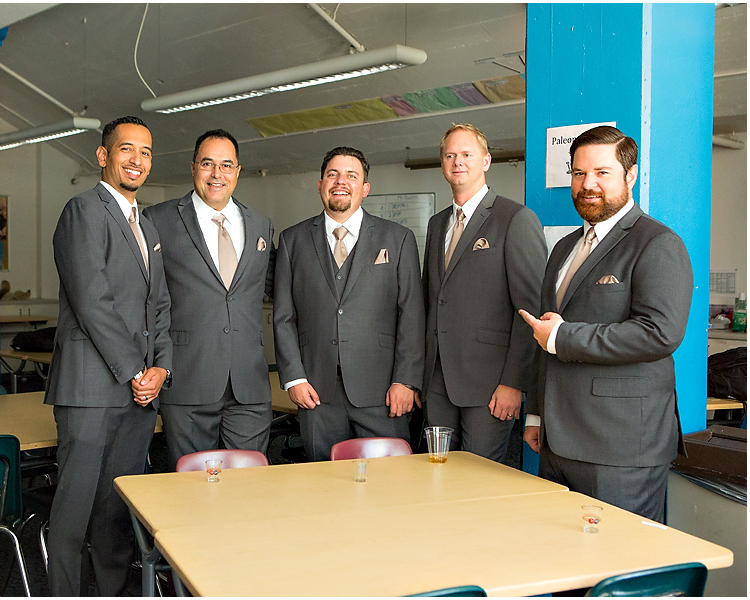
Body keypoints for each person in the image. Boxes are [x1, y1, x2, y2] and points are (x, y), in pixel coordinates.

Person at [519, 125, 692, 522]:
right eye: (579, 173)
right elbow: (544, 332)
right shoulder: (564, 247)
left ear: (630, 176)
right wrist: (537, 413)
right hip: (558, 440)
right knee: (565, 564)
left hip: (621, 447)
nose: (588, 184)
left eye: (602, 173)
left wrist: (564, 336)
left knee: (617, 570)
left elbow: (659, 333)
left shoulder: (658, 242)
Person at [44, 116, 173, 596]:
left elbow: (160, 304)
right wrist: (138, 370)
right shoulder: (83, 211)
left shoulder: (147, 225)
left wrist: (161, 367)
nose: (136, 160)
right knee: (75, 511)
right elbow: (92, 301)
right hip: (92, 389)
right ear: (103, 156)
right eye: (126, 150)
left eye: (145, 152)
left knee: (117, 512)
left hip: (138, 393)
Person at [273, 146, 425, 462]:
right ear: (320, 184)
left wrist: (406, 380)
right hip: (315, 393)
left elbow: (411, 314)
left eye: (351, 176)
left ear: (365, 188)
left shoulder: (397, 238)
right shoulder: (293, 240)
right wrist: (294, 378)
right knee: (324, 487)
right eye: (333, 174)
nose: (341, 181)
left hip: (383, 391)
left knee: (390, 484)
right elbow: (284, 316)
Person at [146, 129, 274, 469]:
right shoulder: (158, 220)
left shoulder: (261, 225)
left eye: (226, 165)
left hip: (249, 385)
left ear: (237, 171)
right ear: (193, 168)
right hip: (188, 380)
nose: (217, 174)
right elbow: (145, 300)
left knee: (248, 488)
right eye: (208, 164)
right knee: (192, 491)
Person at [421, 124, 546, 461]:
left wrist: (513, 383)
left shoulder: (515, 218)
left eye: (466, 154)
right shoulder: (436, 224)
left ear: (486, 161)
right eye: (450, 155)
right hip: (437, 382)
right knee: (437, 475)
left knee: (479, 481)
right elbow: (433, 300)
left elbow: (530, 310)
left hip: (490, 387)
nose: (457, 161)